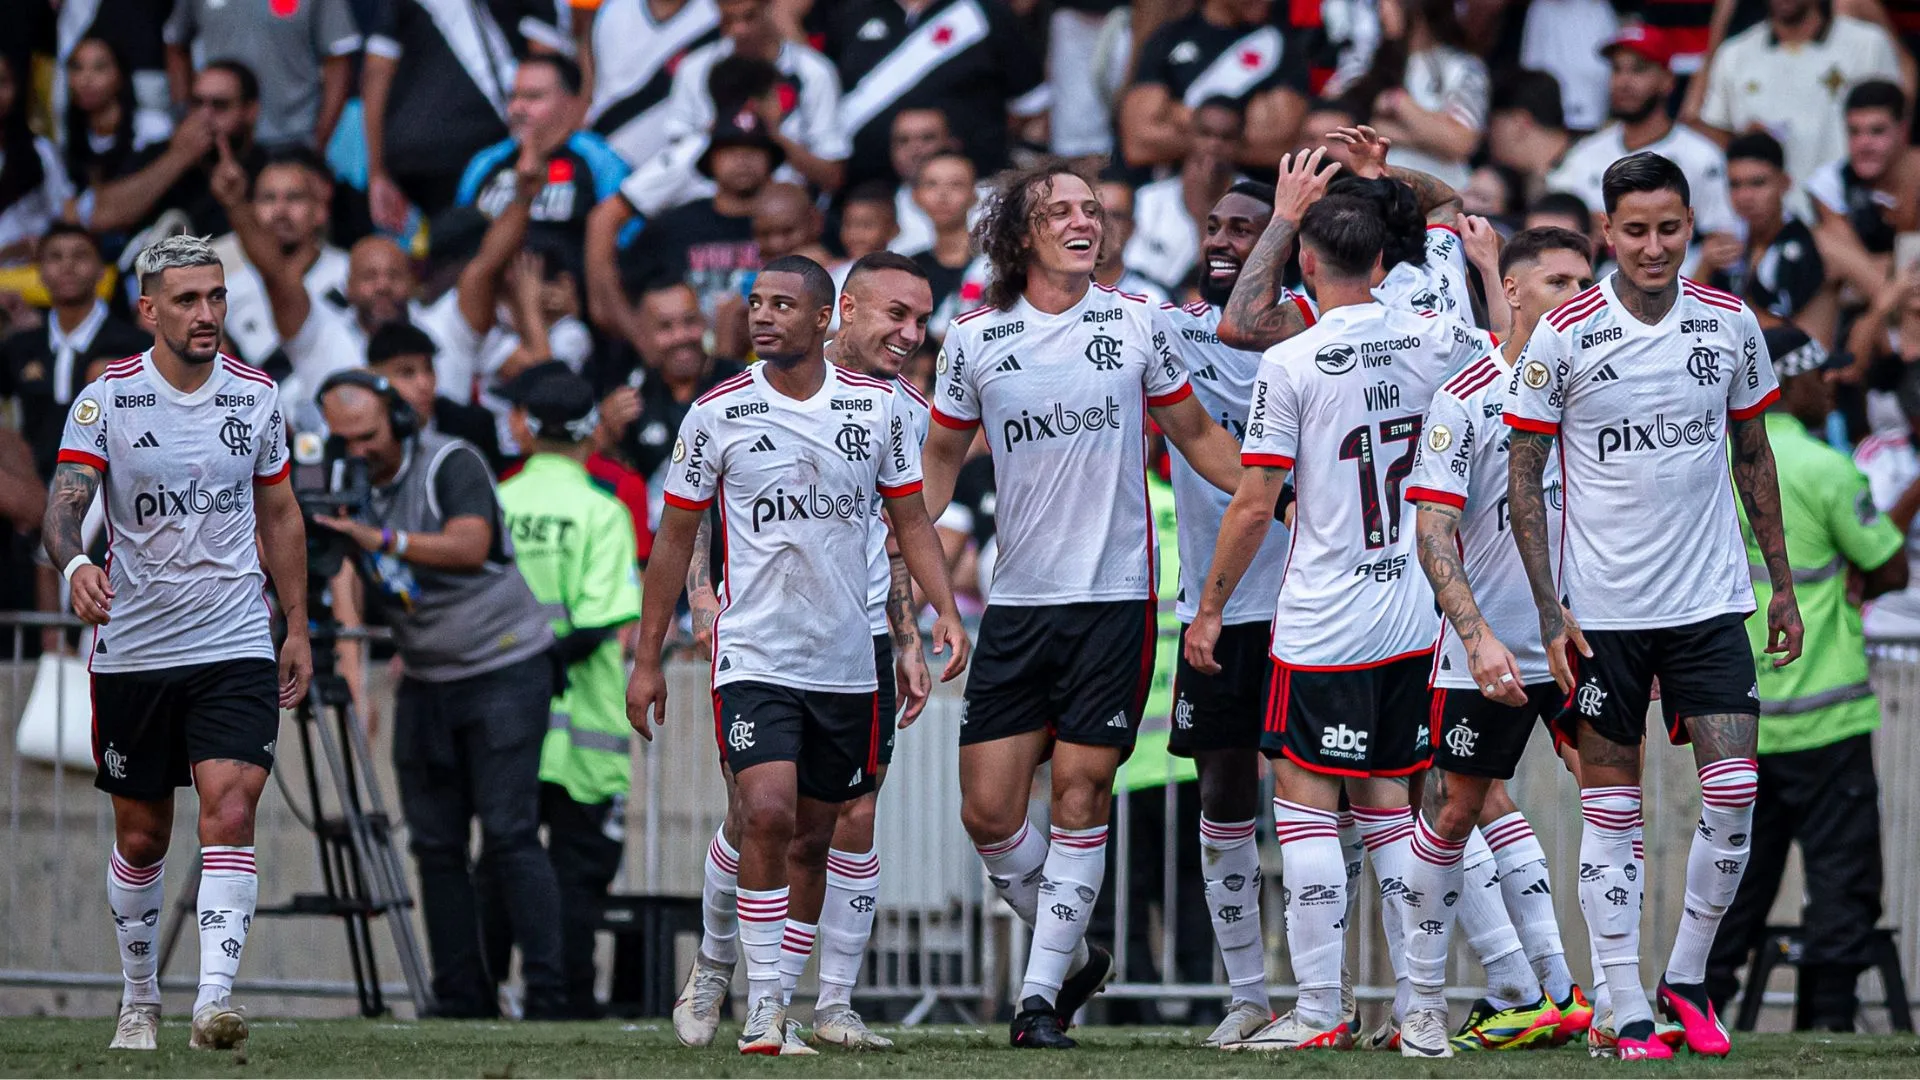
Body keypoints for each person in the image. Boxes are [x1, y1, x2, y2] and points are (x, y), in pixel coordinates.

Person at [918, 158, 1246, 1050]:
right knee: (987, 811)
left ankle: (1035, 1002)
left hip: (1115, 601)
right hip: (1018, 605)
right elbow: (940, 465)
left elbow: (1199, 436)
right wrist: (903, 550)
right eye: (1060, 210)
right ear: (1021, 233)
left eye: (1092, 209)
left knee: (1079, 791)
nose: (1082, 221)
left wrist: (1282, 496)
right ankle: (1070, 959)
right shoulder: (975, 340)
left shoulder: (1138, 322)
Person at [626, 255, 970, 1055]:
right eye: (755, 302)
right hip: (753, 654)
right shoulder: (716, 413)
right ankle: (759, 1006)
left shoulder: (882, 410)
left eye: (782, 303)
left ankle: (763, 981)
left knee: (815, 833)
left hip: (850, 658)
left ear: (823, 319)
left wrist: (937, 616)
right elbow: (676, 538)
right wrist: (650, 656)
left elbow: (909, 524)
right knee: (767, 812)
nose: (762, 315)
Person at [1503, 151, 1801, 1059]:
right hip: (1605, 613)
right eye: (1635, 230)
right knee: (1613, 812)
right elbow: (1521, 479)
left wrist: (1781, 581)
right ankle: (1622, 999)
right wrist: (1550, 614)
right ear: (1607, 235)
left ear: (1687, 223)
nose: (1654, 246)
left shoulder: (1729, 323)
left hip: (1711, 600)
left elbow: (1753, 453)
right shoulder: (1566, 335)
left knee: (1738, 793)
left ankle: (1688, 976)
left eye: (1669, 227)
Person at [1185, 191, 1488, 1055]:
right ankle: (1419, 1009)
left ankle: (1320, 1007)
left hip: (1327, 611)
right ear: (1386, 266)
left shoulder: (1296, 360)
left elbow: (1252, 502)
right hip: (1415, 605)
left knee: (1310, 806)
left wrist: (1210, 608)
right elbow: (1502, 370)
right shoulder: (1440, 340)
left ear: (1307, 265)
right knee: (1392, 807)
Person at [42, 234, 311, 1052]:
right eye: (189, 300)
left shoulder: (258, 396)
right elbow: (61, 507)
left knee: (231, 810)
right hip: (135, 649)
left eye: (218, 297)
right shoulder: (106, 399)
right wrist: (78, 561)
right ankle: (139, 995)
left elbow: (281, 514)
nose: (208, 314)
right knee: (142, 835)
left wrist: (296, 624)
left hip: (234, 639)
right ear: (149, 310)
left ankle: (214, 1003)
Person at [1401, 226, 1604, 1056]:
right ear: (1512, 291)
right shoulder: (1468, 395)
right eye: (1559, 280)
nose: (1579, 294)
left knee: (1612, 801)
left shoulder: (1606, 383)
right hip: (1492, 646)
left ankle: (1595, 998)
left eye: (1587, 280)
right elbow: (1435, 531)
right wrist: (1476, 635)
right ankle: (1422, 1003)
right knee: (1454, 807)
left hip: (1589, 638)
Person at [314, 367, 569, 1020]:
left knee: (510, 833)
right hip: (426, 677)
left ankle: (549, 994)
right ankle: (460, 997)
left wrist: (381, 538)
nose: (359, 450)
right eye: (344, 440)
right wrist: (350, 670)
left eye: (369, 435)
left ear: (399, 419)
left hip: (503, 664)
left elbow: (469, 542)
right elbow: (338, 577)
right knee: (434, 843)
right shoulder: (344, 484)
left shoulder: (451, 460)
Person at [1707, 327, 1906, 1033]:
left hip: (1738, 723)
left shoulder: (1715, 464)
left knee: (1730, 888)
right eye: (1822, 374)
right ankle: (1827, 1028)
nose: (1833, 385)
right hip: (1826, 725)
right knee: (1842, 890)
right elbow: (1891, 567)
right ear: (1787, 382)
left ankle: (1696, 1016)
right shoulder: (1825, 468)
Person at [1154, 178, 1292, 1047]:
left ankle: (1333, 988)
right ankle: (1247, 993)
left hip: (1319, 604)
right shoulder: (1173, 331)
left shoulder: (1316, 330)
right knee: (1224, 794)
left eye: (1246, 229)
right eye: (1214, 226)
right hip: (1224, 609)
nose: (1222, 240)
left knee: (1347, 797)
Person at [494, 362, 644, 1019]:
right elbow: (596, 621)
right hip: (582, 726)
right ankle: (568, 1001)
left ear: (522, 425)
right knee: (579, 874)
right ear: (594, 430)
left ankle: (480, 997)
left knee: (500, 862)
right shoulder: (601, 511)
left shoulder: (495, 502)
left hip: (501, 721)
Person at [819, 0, 1049, 190]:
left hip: (978, 190)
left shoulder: (985, 12)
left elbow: (1031, 106)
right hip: (874, 202)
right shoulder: (850, 13)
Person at [1547, 27, 1739, 246]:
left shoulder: (1702, 155)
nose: (1624, 82)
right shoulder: (1585, 152)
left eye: (1638, 70)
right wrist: (1586, 226)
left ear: (1667, 80)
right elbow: (1550, 224)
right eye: (1617, 70)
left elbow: (1723, 239)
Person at [589, 108, 775, 328]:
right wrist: (638, 336)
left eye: (754, 150)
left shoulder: (786, 226)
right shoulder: (673, 227)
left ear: (771, 160)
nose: (743, 160)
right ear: (710, 160)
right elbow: (626, 285)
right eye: (730, 150)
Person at [456, 54, 631, 274]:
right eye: (513, 97)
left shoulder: (600, 161)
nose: (517, 107)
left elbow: (626, 240)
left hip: (570, 296)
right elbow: (458, 241)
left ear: (572, 103)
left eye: (533, 97)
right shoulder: (485, 162)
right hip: (489, 297)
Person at [0, 224, 148, 482]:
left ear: (102, 270)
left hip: (112, 487)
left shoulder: (137, 343)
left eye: (80, 255)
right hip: (35, 486)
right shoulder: (20, 346)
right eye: (55, 257)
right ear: (39, 271)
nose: (67, 266)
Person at [1698, 0, 1906, 183]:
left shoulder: (1869, 44)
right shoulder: (1733, 54)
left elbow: (1895, 129)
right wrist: (1747, 143)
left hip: (1849, 209)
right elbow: (1714, 131)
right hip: (1769, 220)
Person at [362, 0, 516, 229]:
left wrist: (376, 170)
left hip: (423, 150)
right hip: (467, 147)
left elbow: (375, 72)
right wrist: (376, 171)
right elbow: (376, 70)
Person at [1119, 0, 1310, 170]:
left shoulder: (1282, 48)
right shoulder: (1168, 38)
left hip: (1250, 194)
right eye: (1208, 133)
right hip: (1167, 193)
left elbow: (1279, 149)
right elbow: (1139, 144)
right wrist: (1237, 131)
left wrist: (1178, 115)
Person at [86, 61, 262, 237]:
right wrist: (178, 158)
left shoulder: (266, 168)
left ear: (250, 111)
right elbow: (100, 216)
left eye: (220, 105)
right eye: (197, 103)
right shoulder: (160, 153)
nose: (204, 116)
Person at [214, 149, 351, 371]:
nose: (280, 211)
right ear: (254, 209)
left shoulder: (352, 275)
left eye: (294, 198)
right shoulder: (227, 292)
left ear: (320, 210)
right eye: (268, 199)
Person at [162, 0, 358, 150]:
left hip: (293, 137)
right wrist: (183, 115)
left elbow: (338, 61)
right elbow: (175, 43)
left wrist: (320, 139)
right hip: (218, 138)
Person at [1334, 0, 1488, 189]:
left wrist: (1399, 103)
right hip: (1376, 188)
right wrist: (1431, 134)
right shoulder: (1373, 63)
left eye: (1389, 4)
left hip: (1442, 189)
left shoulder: (1463, 66)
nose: (1381, 12)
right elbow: (1352, 127)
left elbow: (1461, 143)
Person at [1704, 133, 1832, 341]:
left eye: (1758, 183)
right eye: (1735, 185)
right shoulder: (1728, 243)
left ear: (1785, 183)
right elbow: (1687, 313)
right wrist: (1705, 264)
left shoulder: (1816, 243)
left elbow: (1789, 335)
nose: (1745, 197)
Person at [1806, 81, 1920, 298]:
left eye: (1877, 131)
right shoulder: (1831, 181)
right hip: (1865, 303)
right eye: (1854, 132)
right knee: (1822, 242)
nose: (1864, 144)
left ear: (1903, 130)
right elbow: (1849, 261)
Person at [1124, 99, 1245, 296]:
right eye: (1205, 134)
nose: (1214, 145)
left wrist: (1204, 215)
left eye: (1226, 137)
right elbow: (1133, 277)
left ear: (1240, 143)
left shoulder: (1253, 205)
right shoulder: (1149, 199)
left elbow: (1221, 287)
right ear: (1189, 136)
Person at [584, 0, 720, 169]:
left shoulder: (720, 13)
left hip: (687, 171)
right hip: (604, 169)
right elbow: (586, 94)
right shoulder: (609, 11)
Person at [367, 321, 505, 472]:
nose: (424, 384)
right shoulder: (363, 434)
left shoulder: (474, 427)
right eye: (407, 373)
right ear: (376, 379)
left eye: (428, 369)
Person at [61, 37, 171, 195]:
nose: (86, 79)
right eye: (77, 67)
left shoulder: (152, 127)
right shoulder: (65, 133)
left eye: (99, 68)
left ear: (121, 75)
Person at [0, 54, 76, 262]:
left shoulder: (41, 151)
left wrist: (32, 247)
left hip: (32, 279)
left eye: (2, 81)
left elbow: (68, 219)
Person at [1094, 177, 1172, 305]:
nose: (1104, 225)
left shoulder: (1152, 298)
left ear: (1131, 227)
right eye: (1095, 213)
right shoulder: (1053, 294)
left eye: (1116, 216)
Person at [752, 183, 833, 264]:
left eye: (787, 231)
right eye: (764, 234)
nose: (776, 244)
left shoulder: (839, 273)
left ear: (815, 223)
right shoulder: (745, 269)